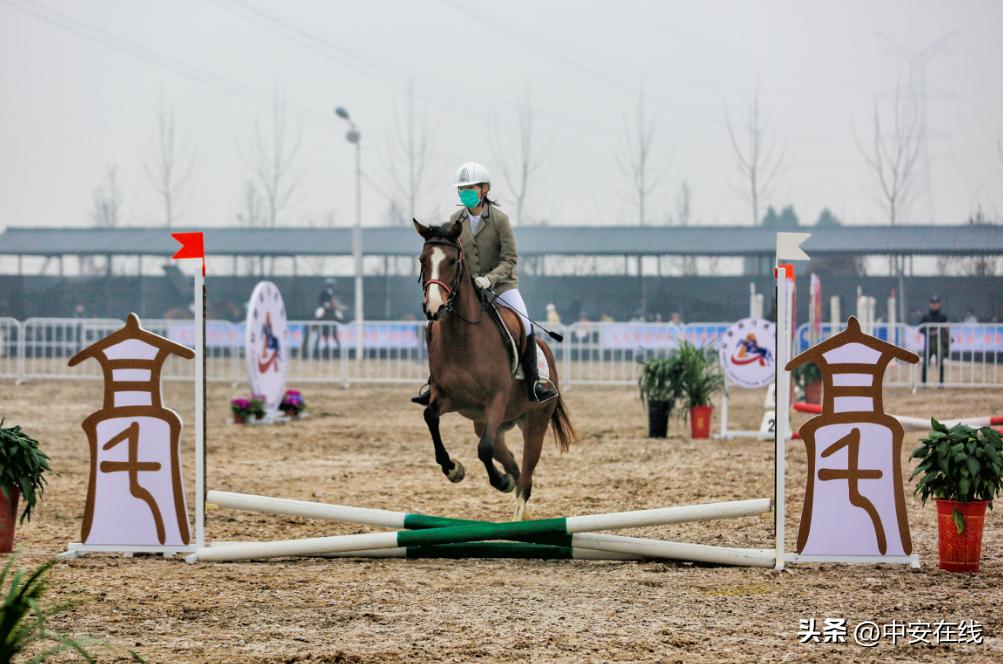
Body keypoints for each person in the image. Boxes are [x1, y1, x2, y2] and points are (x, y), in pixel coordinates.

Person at [413, 161, 557, 404]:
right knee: (435, 326)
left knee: (524, 322)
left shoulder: (500, 220)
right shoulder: (455, 220)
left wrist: (489, 279)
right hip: (468, 289)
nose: (466, 193)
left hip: (502, 287)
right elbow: (451, 255)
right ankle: (435, 381)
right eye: (462, 189)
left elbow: (510, 258)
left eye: (471, 188)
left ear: (485, 189)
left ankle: (534, 381)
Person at [919, 294, 949, 384]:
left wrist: (940, 332)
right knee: (925, 363)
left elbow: (946, 328)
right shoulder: (926, 317)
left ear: (939, 304)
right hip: (928, 342)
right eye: (933, 303)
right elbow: (921, 328)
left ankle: (941, 382)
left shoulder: (943, 317)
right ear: (930, 304)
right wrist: (929, 332)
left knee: (940, 363)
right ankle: (924, 382)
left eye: (936, 303)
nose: (934, 305)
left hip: (939, 342)